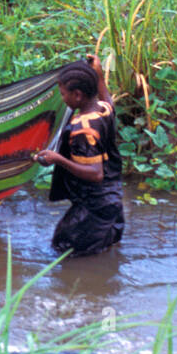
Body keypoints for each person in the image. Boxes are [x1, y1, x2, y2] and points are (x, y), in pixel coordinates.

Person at [33, 55, 125, 257]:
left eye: (63, 94)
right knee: (100, 252)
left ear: (77, 95)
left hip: (95, 206)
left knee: (63, 248)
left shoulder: (83, 130)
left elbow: (95, 173)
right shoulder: (102, 110)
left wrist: (57, 159)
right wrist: (99, 75)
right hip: (112, 200)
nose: (62, 98)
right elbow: (108, 100)